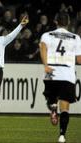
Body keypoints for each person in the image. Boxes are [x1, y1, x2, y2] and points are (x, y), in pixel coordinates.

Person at [39, 12, 81, 143]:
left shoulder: (47, 35)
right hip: (67, 75)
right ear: (68, 22)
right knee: (65, 107)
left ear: (56, 21)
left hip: (51, 72)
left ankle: (52, 106)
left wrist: (46, 65)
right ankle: (62, 136)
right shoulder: (76, 38)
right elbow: (79, 60)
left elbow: (43, 47)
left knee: (51, 97)